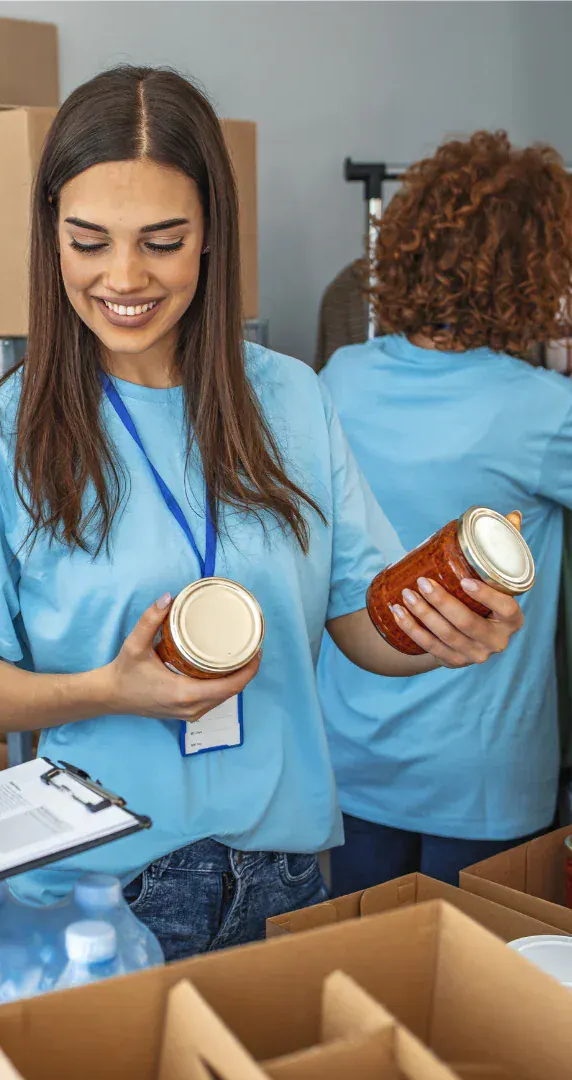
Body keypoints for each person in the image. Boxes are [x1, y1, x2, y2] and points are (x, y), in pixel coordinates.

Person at [0, 67, 524, 963]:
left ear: (211, 240)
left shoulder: (295, 403)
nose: (124, 277)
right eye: (89, 241)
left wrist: (442, 627)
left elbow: (361, 624)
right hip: (98, 887)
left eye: (162, 240)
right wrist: (105, 691)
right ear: (51, 239)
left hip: (288, 874)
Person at [317, 131, 572, 893]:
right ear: (542, 269)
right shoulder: (541, 410)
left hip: (352, 752)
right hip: (482, 775)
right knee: (477, 1003)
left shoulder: (341, 377)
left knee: (360, 989)